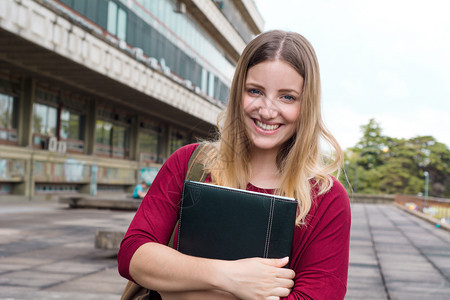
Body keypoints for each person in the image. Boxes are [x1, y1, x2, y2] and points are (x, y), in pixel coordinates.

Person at [118, 30, 351, 299]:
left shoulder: (327, 198)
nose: (266, 110)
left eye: (287, 97)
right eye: (255, 91)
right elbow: (133, 254)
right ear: (238, 91)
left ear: (306, 104)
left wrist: (179, 284)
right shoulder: (189, 163)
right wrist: (230, 277)